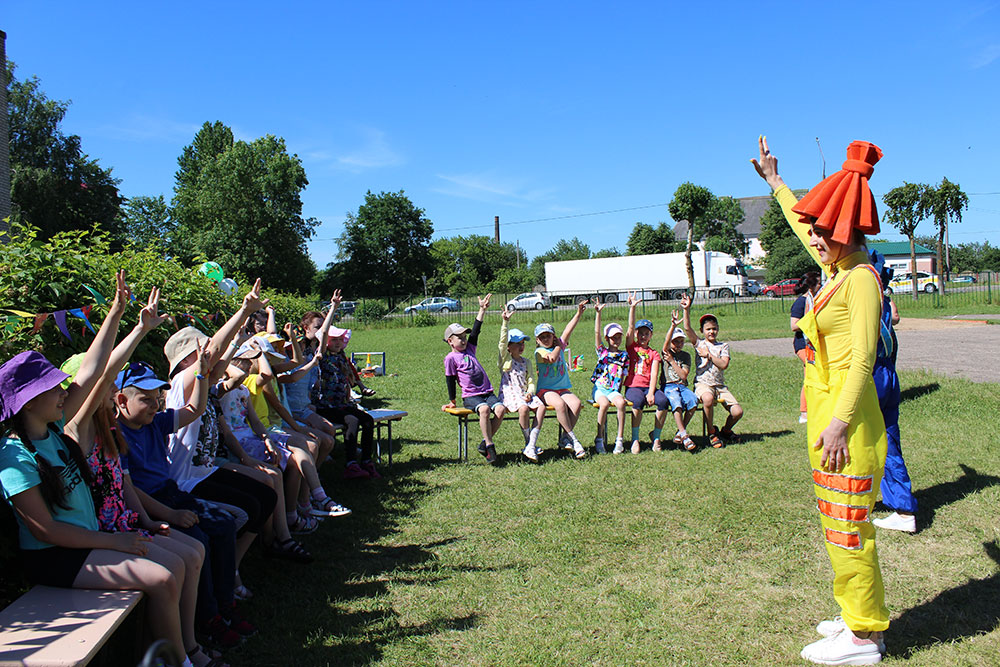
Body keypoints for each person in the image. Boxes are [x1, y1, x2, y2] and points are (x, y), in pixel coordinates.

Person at [0, 273, 212, 667]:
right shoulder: (16, 456)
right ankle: (181, 659)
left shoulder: (55, 435)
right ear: (28, 402)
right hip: (55, 556)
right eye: (53, 388)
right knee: (162, 578)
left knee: (174, 567)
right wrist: (115, 542)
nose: (64, 391)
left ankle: (173, 653)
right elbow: (45, 530)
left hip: (87, 543)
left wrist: (123, 317)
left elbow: (97, 372)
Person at [753, 135, 889, 664]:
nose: (812, 235)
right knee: (836, 524)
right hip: (827, 420)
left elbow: (862, 361)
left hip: (846, 427)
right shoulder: (836, 268)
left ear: (839, 232)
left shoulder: (860, 281)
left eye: (820, 229)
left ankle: (865, 637)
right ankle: (854, 617)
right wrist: (776, 183)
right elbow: (798, 221)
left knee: (850, 528)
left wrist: (838, 423)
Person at [868, 251, 918, 534]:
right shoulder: (885, 302)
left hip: (873, 374)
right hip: (887, 374)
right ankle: (901, 506)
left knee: (857, 437)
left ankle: (854, 500)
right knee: (887, 440)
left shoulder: (869, 302)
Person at [441, 295, 506, 465]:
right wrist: (452, 401)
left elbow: (476, 330)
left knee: (500, 410)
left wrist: (482, 309)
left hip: (487, 392)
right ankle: (490, 446)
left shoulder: (470, 349)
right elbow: (450, 379)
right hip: (472, 396)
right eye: (459, 337)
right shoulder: (450, 358)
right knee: (484, 410)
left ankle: (484, 442)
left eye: (464, 336)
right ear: (450, 341)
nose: (463, 339)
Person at [680, 293, 743, 448]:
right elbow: (687, 328)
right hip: (704, 384)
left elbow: (723, 364)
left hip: (720, 386)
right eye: (708, 329)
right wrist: (686, 309)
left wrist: (708, 355)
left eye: (714, 329)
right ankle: (712, 432)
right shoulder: (700, 344)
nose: (711, 332)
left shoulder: (723, 346)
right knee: (707, 399)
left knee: (737, 412)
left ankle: (726, 431)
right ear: (702, 331)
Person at [534, 301, 588, 459]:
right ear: (537, 340)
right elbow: (551, 358)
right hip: (546, 391)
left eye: (548, 336)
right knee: (559, 404)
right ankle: (574, 439)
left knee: (576, 404)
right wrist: (559, 345)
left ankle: (565, 437)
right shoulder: (539, 352)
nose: (545, 339)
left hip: (562, 388)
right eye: (542, 337)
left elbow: (568, 330)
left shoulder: (558, 345)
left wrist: (578, 313)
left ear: (553, 336)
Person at [498, 309, 546, 462]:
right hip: (510, 395)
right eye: (517, 344)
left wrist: (530, 392)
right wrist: (505, 322)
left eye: (522, 343)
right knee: (523, 409)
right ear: (509, 347)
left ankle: (531, 444)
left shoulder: (527, 362)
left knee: (541, 407)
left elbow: (531, 380)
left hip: (524, 394)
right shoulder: (505, 360)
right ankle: (529, 443)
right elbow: (502, 342)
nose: (521, 346)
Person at [623, 293, 668, 454]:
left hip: (648, 387)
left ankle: (656, 437)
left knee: (663, 401)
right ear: (636, 334)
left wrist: (651, 393)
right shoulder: (632, 348)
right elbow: (629, 328)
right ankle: (635, 439)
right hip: (633, 387)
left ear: (651, 335)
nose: (643, 336)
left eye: (646, 333)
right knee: (637, 402)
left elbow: (654, 374)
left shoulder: (654, 353)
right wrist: (632, 308)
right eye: (640, 333)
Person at [591, 301, 628, 454]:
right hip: (600, 389)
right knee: (604, 405)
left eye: (619, 337)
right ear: (607, 338)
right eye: (613, 337)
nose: (616, 340)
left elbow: (624, 375)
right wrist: (598, 314)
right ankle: (599, 438)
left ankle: (619, 439)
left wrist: (619, 390)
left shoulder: (624, 355)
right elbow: (596, 334)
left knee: (621, 403)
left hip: (613, 390)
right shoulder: (602, 352)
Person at [660, 310, 697, 452]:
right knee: (676, 401)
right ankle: (685, 436)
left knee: (693, 401)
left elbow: (683, 376)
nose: (679, 344)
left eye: (681, 341)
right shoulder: (667, 352)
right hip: (668, 386)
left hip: (682, 386)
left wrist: (672, 362)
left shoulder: (686, 356)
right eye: (676, 341)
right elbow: (665, 344)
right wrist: (672, 327)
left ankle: (679, 432)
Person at [791, 272, 822, 424]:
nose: (821, 285)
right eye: (819, 283)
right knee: (810, 375)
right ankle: (804, 413)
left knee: (815, 375)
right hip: (803, 345)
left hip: (814, 344)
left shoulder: (816, 300)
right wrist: (811, 320)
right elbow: (793, 325)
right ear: (811, 286)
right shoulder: (801, 303)